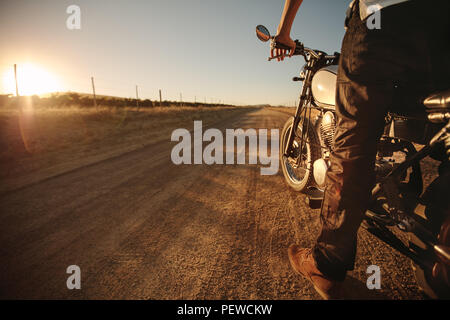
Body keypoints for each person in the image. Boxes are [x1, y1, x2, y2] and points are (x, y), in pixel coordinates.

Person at [272, 0, 450, 299]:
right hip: (441, 26)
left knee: (353, 141)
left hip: (382, 17)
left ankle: (325, 265)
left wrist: (283, 33)